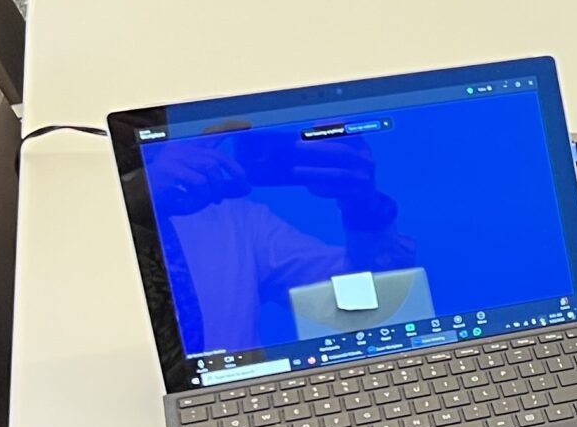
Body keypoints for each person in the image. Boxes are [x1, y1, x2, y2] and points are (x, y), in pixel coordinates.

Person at [148, 127, 418, 354]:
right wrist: (138, 201)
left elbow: (368, 310)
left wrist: (364, 209)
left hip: (239, 404)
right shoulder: (112, 221)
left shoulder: (234, 221)